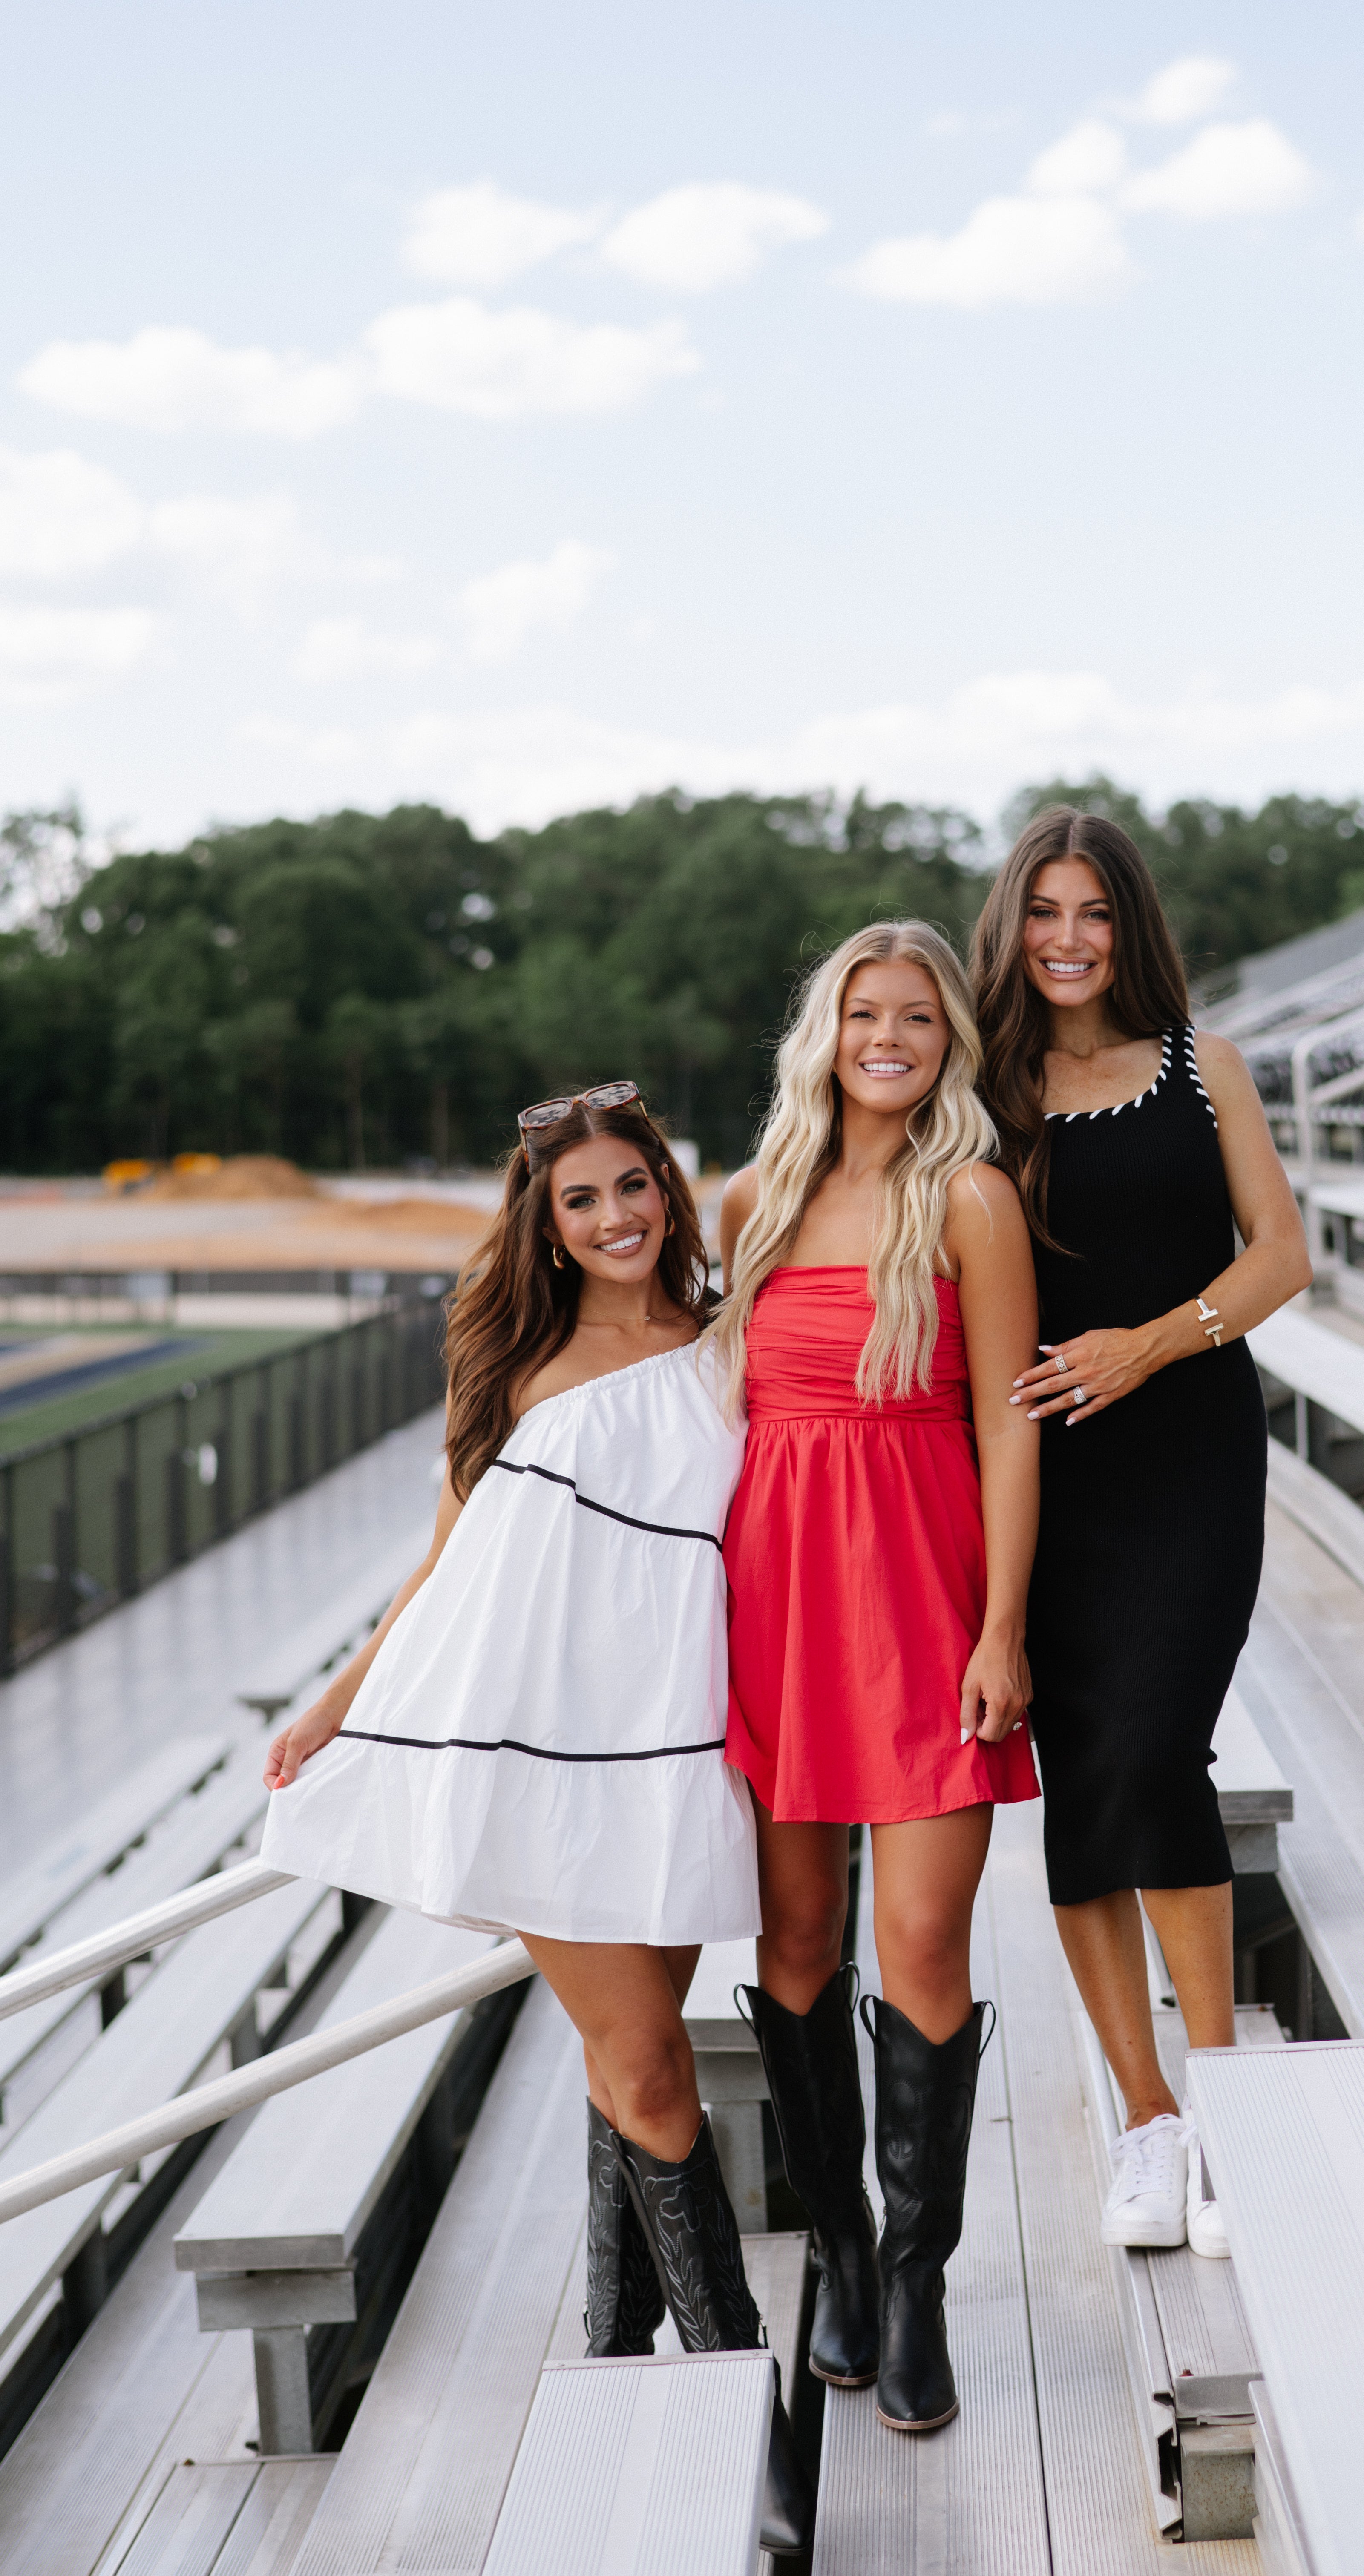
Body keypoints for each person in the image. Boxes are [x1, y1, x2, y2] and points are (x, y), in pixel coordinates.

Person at [258, 1083, 811, 2556]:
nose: (617, 1215)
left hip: (680, 1748)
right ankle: (750, 2420)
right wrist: (331, 1704)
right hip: (534, 1752)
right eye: (584, 1199)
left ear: (668, 1192)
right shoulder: (514, 1366)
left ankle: (618, 2362)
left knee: (621, 2071)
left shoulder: (724, 1345)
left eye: (635, 1186)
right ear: (547, 1224)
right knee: (648, 2066)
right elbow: (440, 1563)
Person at [713, 921, 1039, 2436]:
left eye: (917, 1016)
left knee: (920, 1947)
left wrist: (1003, 1631)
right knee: (792, 1948)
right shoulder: (755, 1201)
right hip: (774, 1616)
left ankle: (917, 2288)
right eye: (864, 1013)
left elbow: (1011, 1428)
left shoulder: (969, 1198)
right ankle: (840, 2253)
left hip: (921, 1614)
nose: (889, 1037)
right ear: (826, 1032)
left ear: (949, 1040)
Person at [970, 809, 1311, 2259]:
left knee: (1161, 1748)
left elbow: (1282, 1256)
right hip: (1046, 1476)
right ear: (1011, 924)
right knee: (1087, 1773)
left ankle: (1226, 2101)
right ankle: (1146, 2116)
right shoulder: (981, 1096)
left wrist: (1151, 1345)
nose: (1067, 939)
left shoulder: (1201, 1068)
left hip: (1187, 1454)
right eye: (1044, 911)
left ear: (1131, 927)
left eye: (1094, 913)